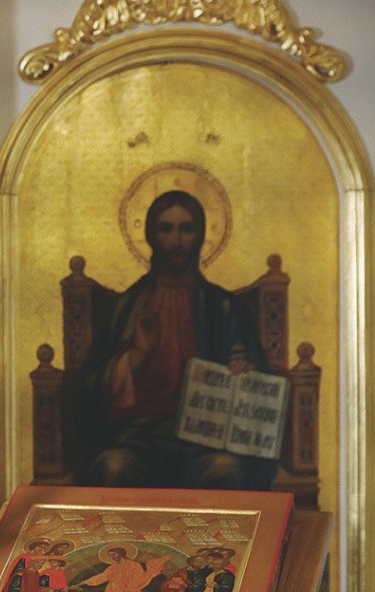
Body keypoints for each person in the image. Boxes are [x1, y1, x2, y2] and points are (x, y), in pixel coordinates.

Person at [76, 190, 277, 490]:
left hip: (206, 445)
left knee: (227, 470)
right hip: (138, 439)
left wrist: (243, 374)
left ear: (200, 236)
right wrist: (135, 357)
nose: (176, 241)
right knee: (114, 467)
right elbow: (88, 388)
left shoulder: (223, 307)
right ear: (151, 236)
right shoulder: (128, 308)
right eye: (166, 229)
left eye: (186, 229)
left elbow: (255, 376)